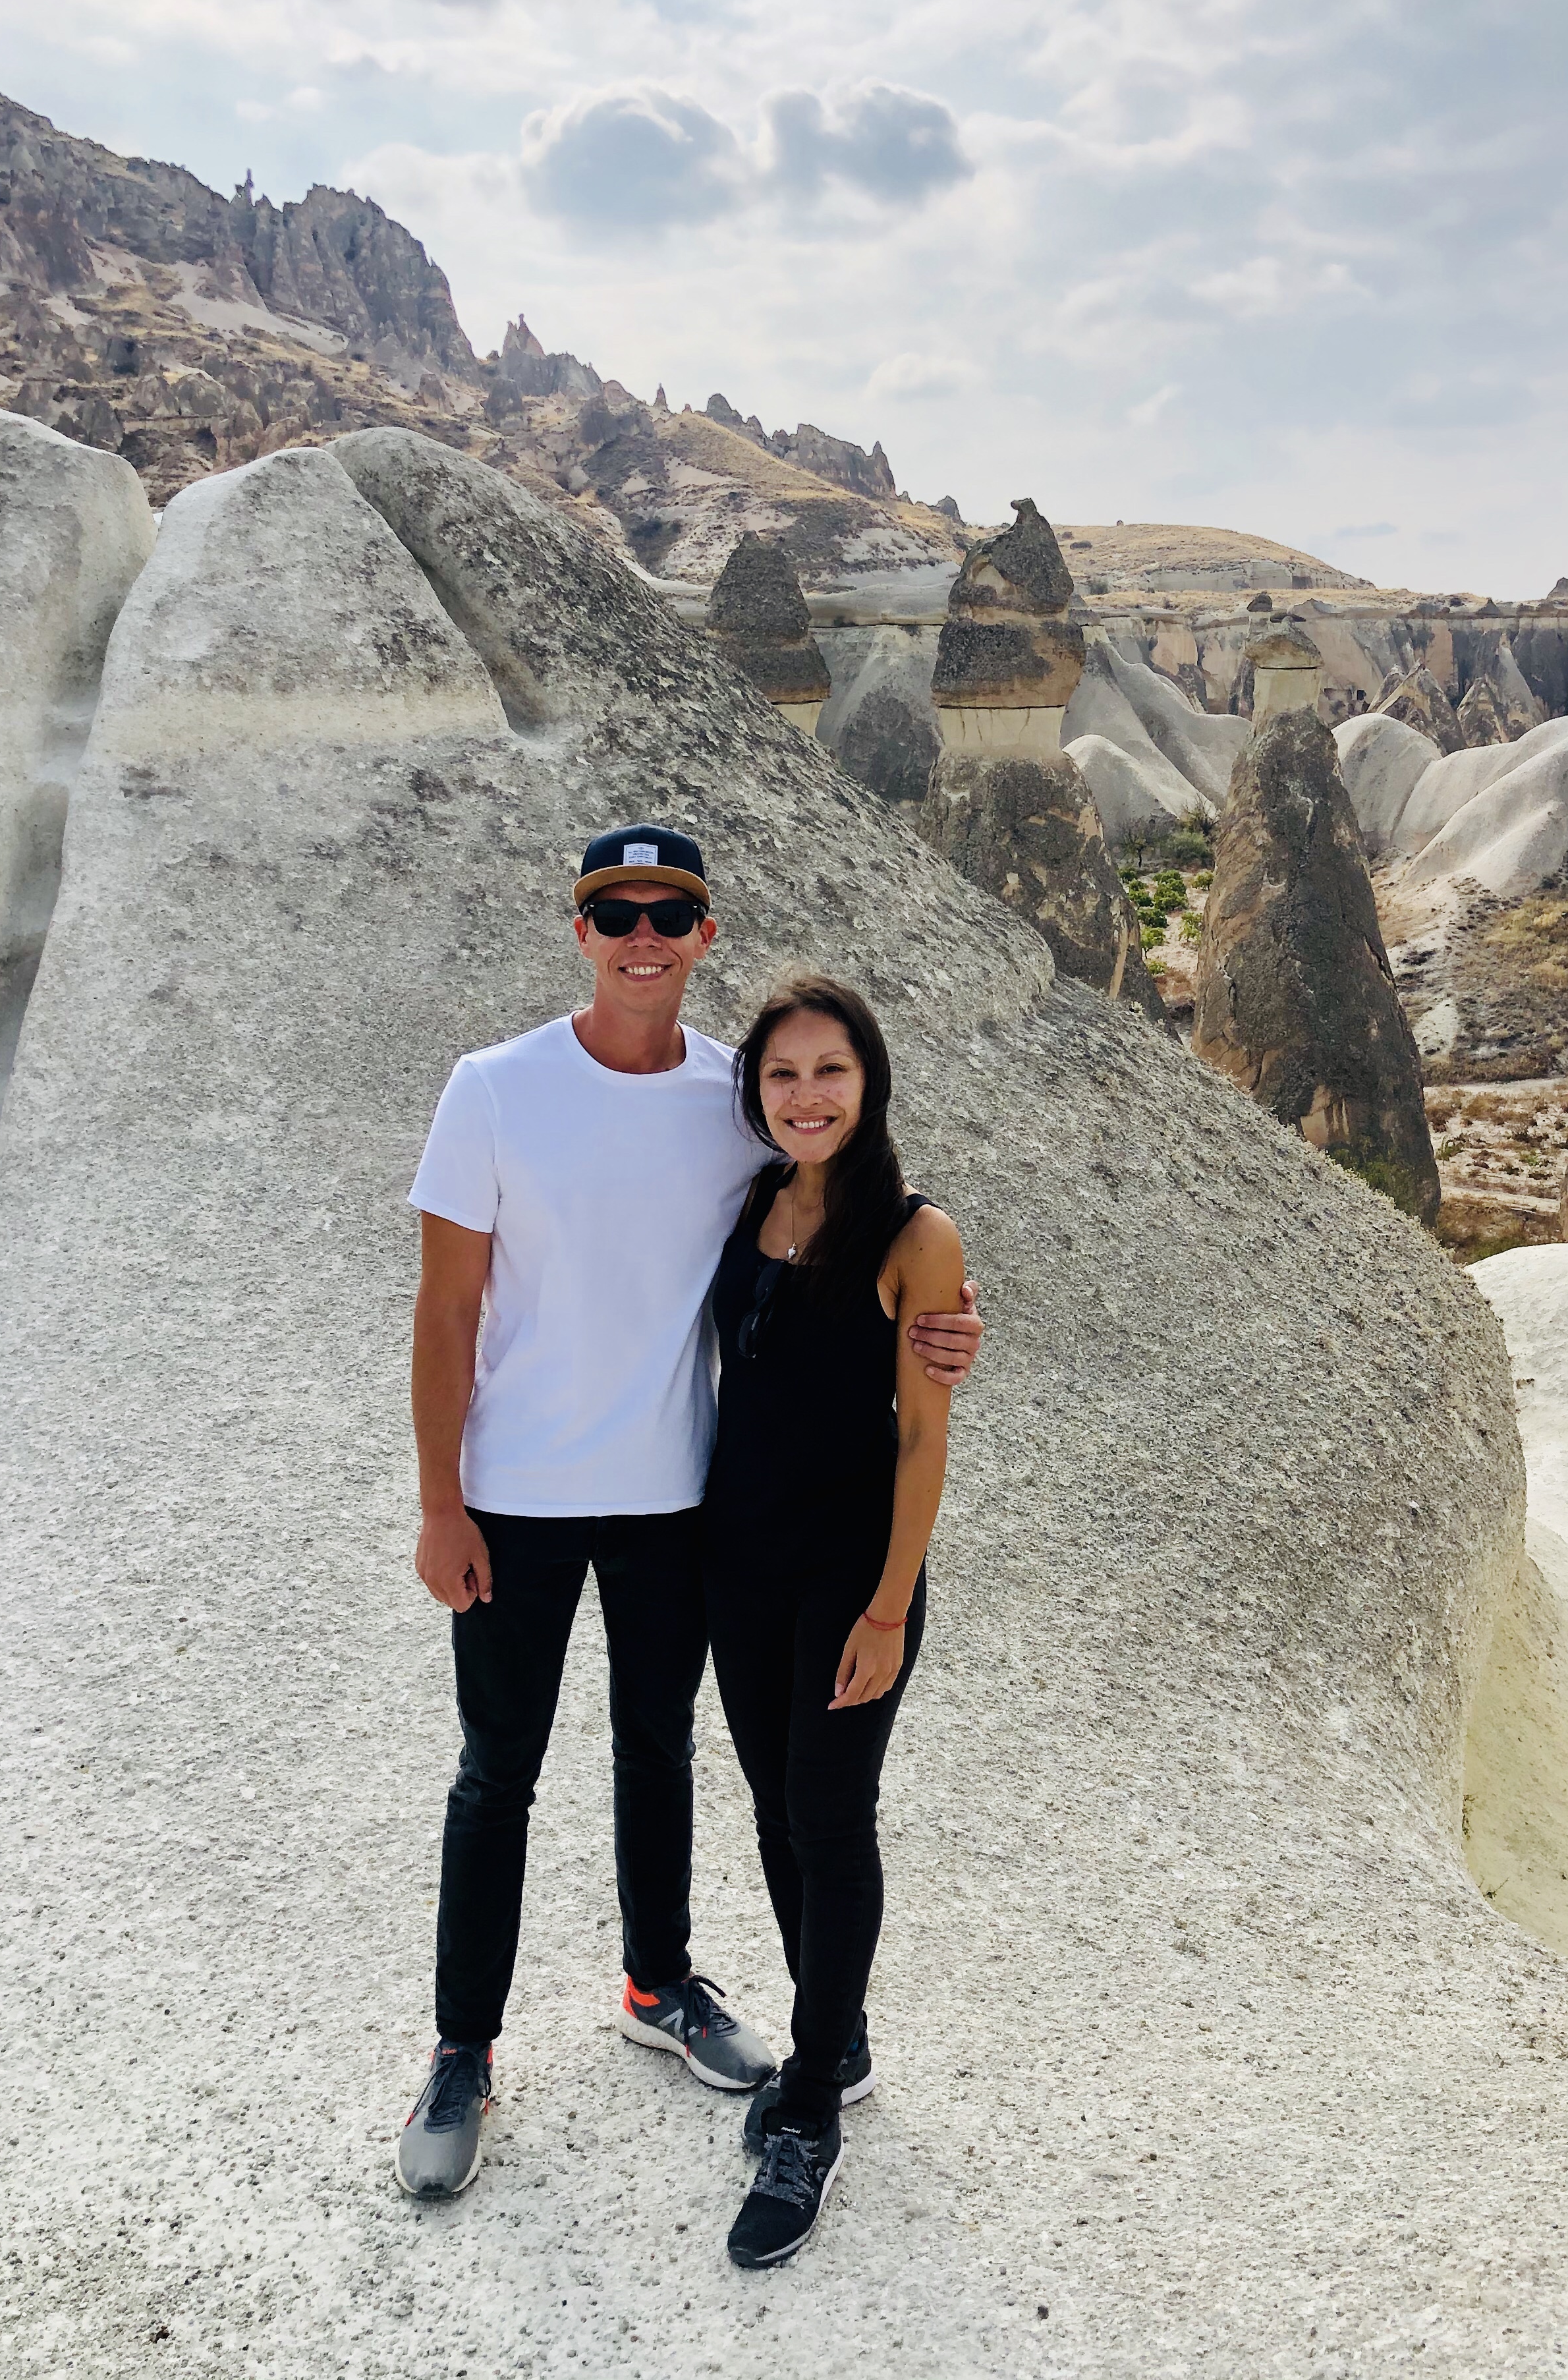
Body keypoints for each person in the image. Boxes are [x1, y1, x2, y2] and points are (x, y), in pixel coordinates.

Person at [395, 826, 981, 2198]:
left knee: (657, 1750)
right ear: (583, 931)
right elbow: (445, 1312)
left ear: (706, 936)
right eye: (618, 912)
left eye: (671, 912)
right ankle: (463, 2050)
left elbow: (846, 1224)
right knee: (496, 1773)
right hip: (515, 1497)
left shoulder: (743, 1097)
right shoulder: (492, 1089)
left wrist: (948, 1322)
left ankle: (658, 1985)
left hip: (676, 1500)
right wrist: (439, 1503)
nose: (644, 935)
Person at [701, 974, 962, 2270]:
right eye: (784, 1074)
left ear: (870, 1083)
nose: (808, 1096)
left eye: (831, 1071)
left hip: (850, 1576)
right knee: (772, 1805)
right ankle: (834, 2031)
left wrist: (890, 1608)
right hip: (737, 1563)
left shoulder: (916, 1237)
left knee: (830, 1813)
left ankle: (810, 2106)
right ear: (758, 1093)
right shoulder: (752, 1201)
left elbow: (923, 1439)